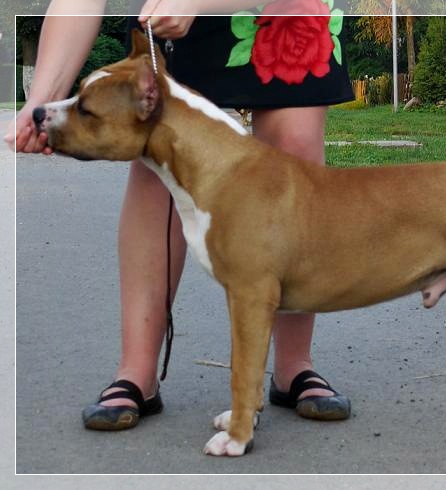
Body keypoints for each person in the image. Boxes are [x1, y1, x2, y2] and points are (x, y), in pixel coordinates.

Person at [6, 0, 353, 429]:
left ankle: (294, 364)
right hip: (173, 22)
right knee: (157, 159)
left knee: (294, 147)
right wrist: (41, 100)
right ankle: (137, 372)